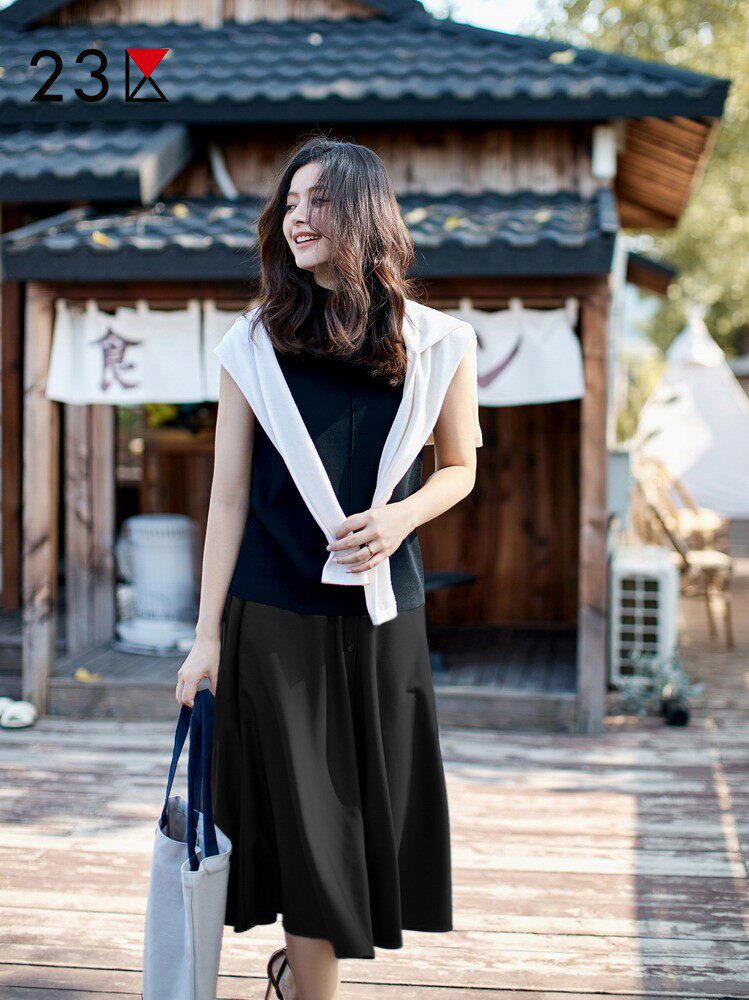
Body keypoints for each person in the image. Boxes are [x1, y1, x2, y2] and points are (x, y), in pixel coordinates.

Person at [175, 134, 480, 1000]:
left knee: (357, 821)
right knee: (309, 825)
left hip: (383, 615)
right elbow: (227, 497)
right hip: (273, 613)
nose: (296, 218)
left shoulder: (437, 342)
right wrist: (204, 639)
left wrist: (398, 518)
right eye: (289, 202)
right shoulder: (252, 343)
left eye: (318, 201)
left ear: (363, 214)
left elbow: (459, 468)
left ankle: (295, 974)